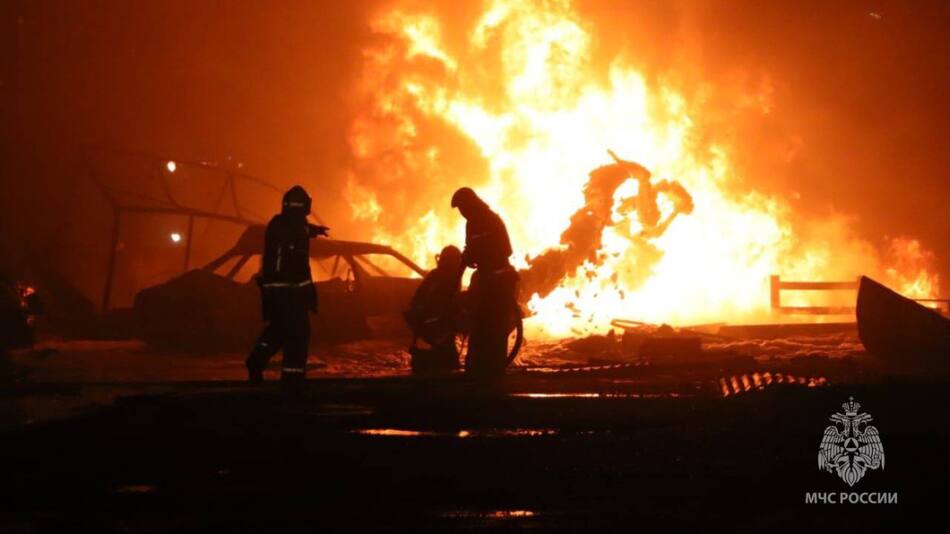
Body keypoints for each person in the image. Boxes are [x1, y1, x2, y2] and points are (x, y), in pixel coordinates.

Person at [245, 185, 328, 384]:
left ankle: (256, 362)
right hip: (289, 295)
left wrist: (314, 230)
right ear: (305, 207)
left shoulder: (283, 224)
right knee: (298, 336)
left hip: (282, 293)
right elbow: (295, 266)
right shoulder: (288, 228)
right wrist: (307, 294)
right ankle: (293, 380)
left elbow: (298, 229)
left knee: (279, 331)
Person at [450, 187, 519, 377]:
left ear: (471, 204)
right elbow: (469, 251)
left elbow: (505, 250)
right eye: (460, 210)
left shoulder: (490, 219)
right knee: (480, 325)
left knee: (494, 327)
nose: (462, 212)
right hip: (486, 280)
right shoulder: (471, 224)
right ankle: (478, 368)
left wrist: (481, 253)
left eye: (463, 207)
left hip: (499, 280)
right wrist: (457, 276)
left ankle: (493, 372)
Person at [404, 245, 464, 373]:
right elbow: (445, 304)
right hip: (432, 323)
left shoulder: (437, 275)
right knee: (447, 358)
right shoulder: (447, 278)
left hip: (427, 323)